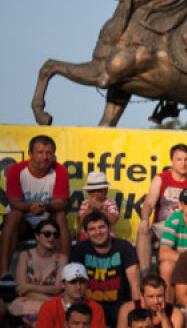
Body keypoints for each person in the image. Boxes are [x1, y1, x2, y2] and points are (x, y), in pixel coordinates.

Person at [2, 135, 70, 275]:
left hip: (47, 222)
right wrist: (31, 207)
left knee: (60, 216)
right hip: (22, 224)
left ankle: (65, 273)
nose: (45, 157)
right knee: (14, 215)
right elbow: (13, 202)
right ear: (30, 154)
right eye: (40, 152)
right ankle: (3, 273)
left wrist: (45, 207)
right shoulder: (16, 169)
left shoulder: (60, 170)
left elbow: (61, 203)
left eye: (49, 153)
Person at [136, 144, 187, 275]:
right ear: (171, 161)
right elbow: (149, 203)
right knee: (143, 230)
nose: (183, 163)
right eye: (179, 159)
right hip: (163, 226)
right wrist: (145, 218)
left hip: (186, 226)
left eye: (186, 159)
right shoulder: (161, 178)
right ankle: (145, 276)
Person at [72, 212, 141, 328]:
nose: (98, 232)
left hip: (119, 305)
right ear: (86, 233)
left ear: (109, 228)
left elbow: (135, 284)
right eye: (92, 229)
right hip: (89, 304)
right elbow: (73, 283)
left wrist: (138, 312)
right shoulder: (81, 248)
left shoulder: (124, 247)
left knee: (127, 314)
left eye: (101, 227)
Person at [156, 189, 187, 299]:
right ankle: (168, 306)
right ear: (180, 206)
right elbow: (163, 253)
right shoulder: (174, 220)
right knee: (166, 266)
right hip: (183, 264)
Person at [36, 264, 106, 328]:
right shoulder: (48, 308)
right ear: (62, 284)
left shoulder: (96, 309)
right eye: (73, 282)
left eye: (82, 282)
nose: (78, 287)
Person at [115, 274, 185, 328]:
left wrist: (164, 318)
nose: (156, 301)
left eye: (160, 296)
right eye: (151, 297)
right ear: (142, 296)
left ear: (165, 294)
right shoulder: (127, 309)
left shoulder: (175, 313)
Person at [11, 218, 64, 318]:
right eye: (47, 234)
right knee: (14, 309)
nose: (52, 237)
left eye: (55, 235)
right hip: (31, 303)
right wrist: (47, 297)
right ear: (37, 236)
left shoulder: (62, 259)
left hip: (50, 306)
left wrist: (29, 287)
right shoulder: (25, 256)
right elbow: (20, 289)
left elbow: (58, 289)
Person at [77, 173, 119, 241]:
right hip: (86, 236)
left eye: (99, 191)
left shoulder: (110, 203)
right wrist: (90, 209)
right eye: (93, 191)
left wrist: (101, 209)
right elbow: (81, 222)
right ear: (88, 192)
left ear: (106, 190)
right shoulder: (85, 203)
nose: (96, 194)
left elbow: (113, 220)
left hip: (105, 235)